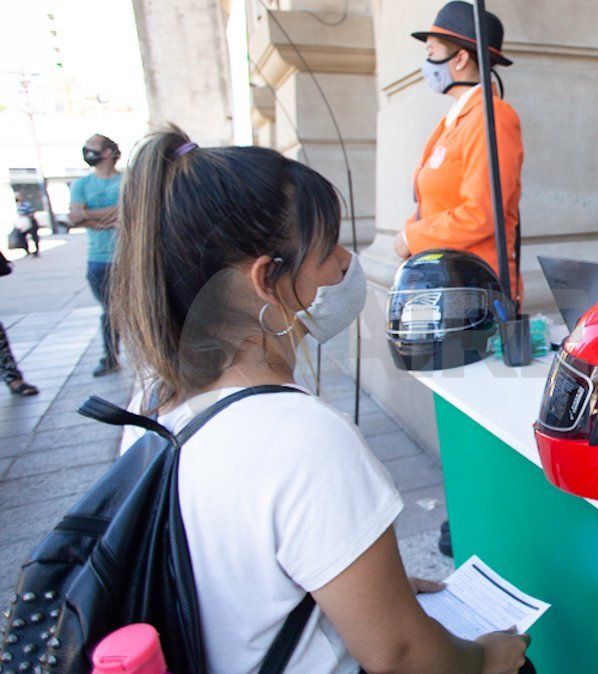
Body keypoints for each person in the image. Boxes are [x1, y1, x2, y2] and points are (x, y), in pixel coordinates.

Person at [112, 127, 529, 674]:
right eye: (328, 248)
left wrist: (357, 584)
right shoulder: (299, 436)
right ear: (267, 278)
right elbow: (404, 657)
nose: (345, 264)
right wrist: (487, 657)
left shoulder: (152, 399)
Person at [395, 0, 524, 302]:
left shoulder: (494, 117)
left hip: (477, 288)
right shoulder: (454, 121)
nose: (426, 65)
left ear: (461, 58)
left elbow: (480, 213)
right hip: (446, 281)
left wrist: (410, 238)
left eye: (431, 54)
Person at [69, 134, 123, 377]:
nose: (88, 152)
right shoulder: (81, 184)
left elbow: (132, 210)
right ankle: (110, 357)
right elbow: (75, 217)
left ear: (110, 152)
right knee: (109, 311)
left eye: (93, 148)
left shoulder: (127, 180)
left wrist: (91, 215)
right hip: (99, 259)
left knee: (138, 308)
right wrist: (115, 215)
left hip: (127, 257)